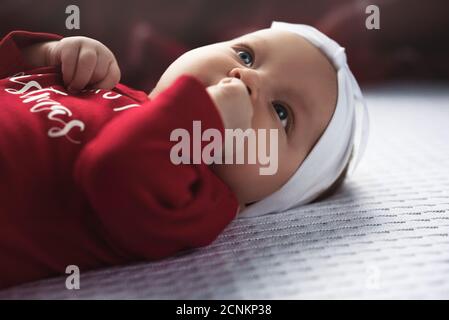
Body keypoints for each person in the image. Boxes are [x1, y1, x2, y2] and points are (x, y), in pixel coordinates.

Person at [0, 21, 368, 288]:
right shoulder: (111, 88)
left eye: (282, 112)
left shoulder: (197, 205)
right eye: (246, 55)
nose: (246, 78)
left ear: (269, 198)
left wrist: (205, 118)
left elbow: (113, 169)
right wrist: (51, 55)